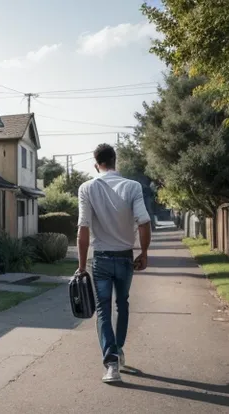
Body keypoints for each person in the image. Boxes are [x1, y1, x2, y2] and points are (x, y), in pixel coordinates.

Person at [76, 143, 152, 383]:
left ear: (96, 163)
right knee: (123, 305)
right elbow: (144, 222)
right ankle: (117, 352)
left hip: (101, 260)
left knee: (103, 311)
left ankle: (111, 364)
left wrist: (80, 265)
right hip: (125, 257)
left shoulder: (87, 188)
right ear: (115, 160)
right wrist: (145, 253)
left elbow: (83, 229)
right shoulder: (132, 187)